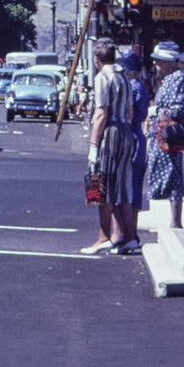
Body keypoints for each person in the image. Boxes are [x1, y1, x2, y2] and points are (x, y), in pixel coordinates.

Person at [81, 39, 138, 255]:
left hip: (110, 132)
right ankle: (130, 237)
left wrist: (94, 145)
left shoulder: (102, 77)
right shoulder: (124, 77)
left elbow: (101, 113)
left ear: (97, 59)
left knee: (99, 182)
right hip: (126, 131)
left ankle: (103, 236)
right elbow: (130, 112)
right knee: (122, 186)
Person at [147, 40, 184, 229]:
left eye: (158, 61)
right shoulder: (168, 80)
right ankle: (174, 220)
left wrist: (156, 111)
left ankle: (176, 221)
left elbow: (178, 109)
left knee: (173, 175)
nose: (155, 65)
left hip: (167, 135)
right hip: (159, 135)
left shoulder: (177, 79)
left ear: (167, 62)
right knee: (169, 174)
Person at [122, 49, 151, 215]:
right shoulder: (142, 88)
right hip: (138, 135)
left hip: (131, 134)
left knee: (129, 184)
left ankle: (128, 229)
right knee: (136, 182)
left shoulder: (131, 89)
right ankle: (132, 227)